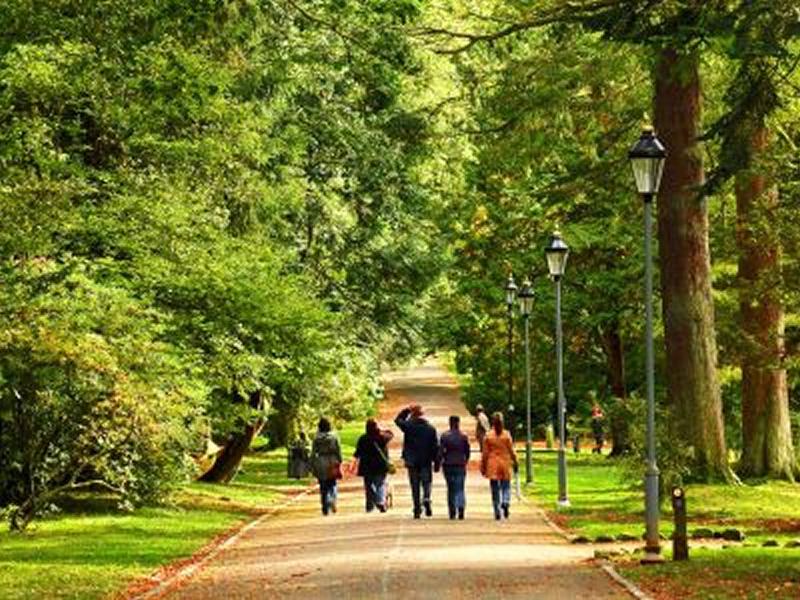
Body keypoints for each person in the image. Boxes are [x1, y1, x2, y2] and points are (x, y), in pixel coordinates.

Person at [395, 403, 439, 519]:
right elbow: (435, 446)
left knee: (414, 485)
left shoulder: (408, 426)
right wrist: (436, 462)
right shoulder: (430, 428)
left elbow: (397, 420)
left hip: (412, 460)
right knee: (426, 482)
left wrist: (406, 410)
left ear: (413, 414)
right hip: (426, 460)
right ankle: (426, 497)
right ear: (422, 414)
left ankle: (417, 509)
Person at [481, 412, 518, 520]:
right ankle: (505, 502)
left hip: (492, 464)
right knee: (506, 486)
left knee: (494, 489)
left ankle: (497, 510)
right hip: (504, 463)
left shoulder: (488, 435)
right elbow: (511, 450)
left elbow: (485, 453)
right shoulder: (506, 435)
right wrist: (515, 461)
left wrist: (483, 466)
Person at [353, 418, 394, 512]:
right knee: (380, 484)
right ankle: (380, 501)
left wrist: (354, 462)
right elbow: (391, 434)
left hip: (367, 466)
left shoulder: (363, 438)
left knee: (369, 486)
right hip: (380, 465)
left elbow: (358, 452)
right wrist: (380, 430)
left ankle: (370, 506)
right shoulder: (382, 437)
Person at [439, 415, 470, 520]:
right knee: (460, 487)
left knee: (451, 488)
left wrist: (438, 463)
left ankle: (452, 511)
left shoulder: (445, 436)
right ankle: (461, 508)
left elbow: (441, 452)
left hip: (448, 464)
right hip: (460, 464)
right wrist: (465, 460)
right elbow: (467, 451)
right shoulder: (463, 436)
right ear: (458, 423)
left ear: (450, 423)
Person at [310, 418, 342, 516]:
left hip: (320, 462)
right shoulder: (334, 436)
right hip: (332, 460)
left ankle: (325, 506)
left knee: (323, 485)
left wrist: (312, 464)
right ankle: (332, 499)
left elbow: (313, 452)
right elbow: (338, 450)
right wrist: (340, 460)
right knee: (332, 483)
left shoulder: (316, 438)